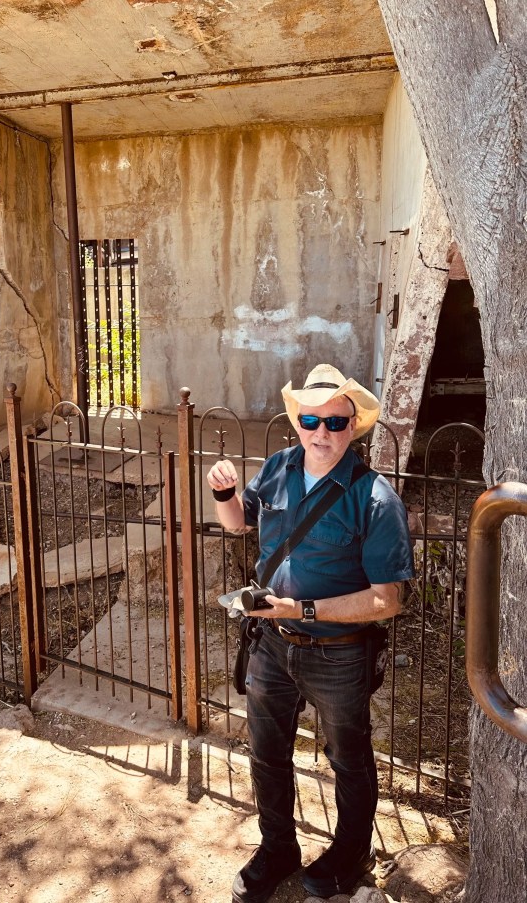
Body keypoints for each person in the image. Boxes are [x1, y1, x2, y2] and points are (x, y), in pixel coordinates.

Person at [207, 364, 413, 902]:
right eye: (311, 419)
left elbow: (386, 600)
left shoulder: (374, 498)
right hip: (271, 645)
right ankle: (278, 849)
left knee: (347, 758)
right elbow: (238, 524)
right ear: (296, 422)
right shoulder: (278, 467)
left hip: (340, 654)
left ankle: (349, 855)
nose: (322, 432)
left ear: (353, 427)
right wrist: (224, 493)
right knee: (266, 752)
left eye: (335, 423)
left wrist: (301, 608)